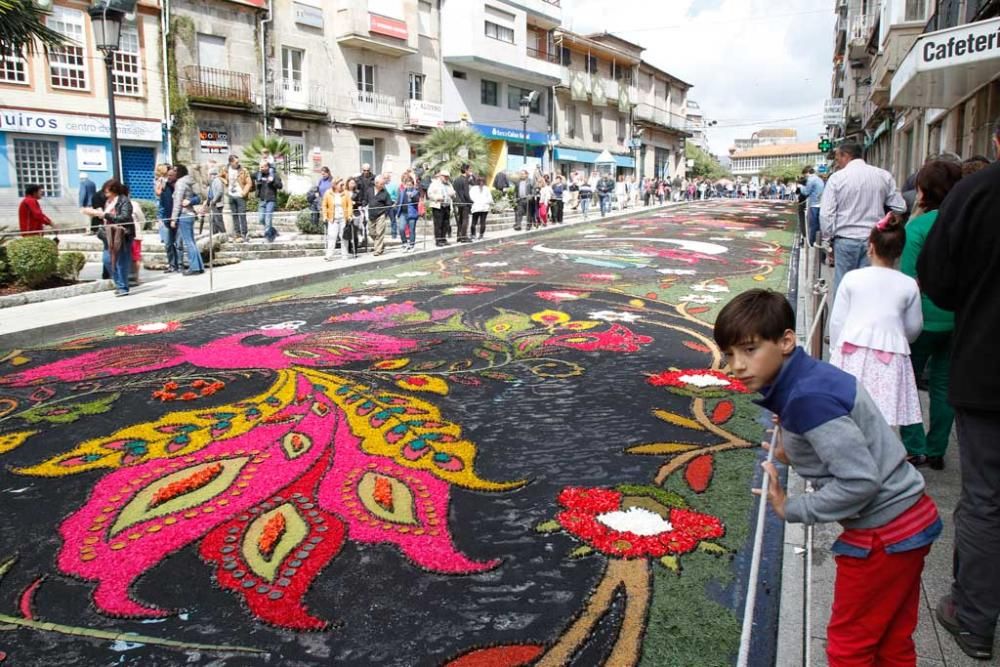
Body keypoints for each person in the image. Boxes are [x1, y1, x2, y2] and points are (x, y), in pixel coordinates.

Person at [715, 288, 941, 666]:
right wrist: (792, 442)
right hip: (911, 519)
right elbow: (839, 444)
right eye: (729, 354)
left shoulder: (805, 397)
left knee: (849, 646)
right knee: (891, 637)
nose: (736, 365)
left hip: (882, 536)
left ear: (786, 340)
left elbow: (860, 482)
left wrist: (791, 507)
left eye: (749, 349)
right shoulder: (808, 380)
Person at [917, 123, 1000, 661]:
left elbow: (939, 282)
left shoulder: (981, 191)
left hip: (991, 368)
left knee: (987, 501)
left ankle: (973, 619)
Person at [897, 160, 962, 470]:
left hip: (921, 319)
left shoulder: (918, 228)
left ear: (922, 192)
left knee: (908, 383)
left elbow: (908, 281)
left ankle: (915, 446)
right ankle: (937, 449)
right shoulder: (966, 222)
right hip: (958, 318)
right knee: (943, 385)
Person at [828, 216, 923, 428]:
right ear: (899, 252)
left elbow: (837, 321)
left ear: (870, 247)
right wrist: (897, 337)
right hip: (890, 356)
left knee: (847, 414)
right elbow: (914, 328)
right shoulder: (909, 285)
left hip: (851, 352)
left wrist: (836, 348)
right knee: (884, 419)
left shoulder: (852, 278)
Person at [820, 142, 907, 298]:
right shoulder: (883, 175)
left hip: (845, 240)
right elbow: (900, 207)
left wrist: (827, 240)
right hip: (874, 239)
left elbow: (826, 214)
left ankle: (843, 320)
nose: (837, 162)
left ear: (846, 156)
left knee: (843, 289)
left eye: (838, 157)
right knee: (870, 287)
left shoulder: (837, 178)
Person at [96, 179, 135, 296]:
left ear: (114, 191)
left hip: (123, 235)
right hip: (108, 234)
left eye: (107, 192)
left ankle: (123, 286)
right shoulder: (108, 202)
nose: (105, 194)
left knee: (121, 261)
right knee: (107, 260)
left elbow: (124, 217)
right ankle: (118, 283)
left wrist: (106, 215)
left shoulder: (124, 201)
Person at [171, 165, 204, 275]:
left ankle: (194, 267)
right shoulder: (190, 181)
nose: (173, 172)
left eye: (174, 170)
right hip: (190, 214)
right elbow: (199, 196)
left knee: (188, 242)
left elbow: (177, 202)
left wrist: (173, 219)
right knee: (192, 241)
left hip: (184, 214)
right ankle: (199, 266)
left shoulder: (180, 183)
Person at [220, 155, 252, 243]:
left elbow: (249, 183)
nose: (238, 163)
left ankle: (245, 234)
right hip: (231, 195)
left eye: (238, 162)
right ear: (231, 162)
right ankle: (237, 235)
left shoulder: (243, 170)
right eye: (236, 162)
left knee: (242, 215)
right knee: (234, 215)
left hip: (240, 195)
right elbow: (220, 176)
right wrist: (225, 182)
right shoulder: (225, 169)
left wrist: (244, 192)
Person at [321, 177, 351, 261]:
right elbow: (324, 205)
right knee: (331, 237)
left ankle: (344, 255)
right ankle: (329, 255)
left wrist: (349, 215)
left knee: (344, 237)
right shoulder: (328, 193)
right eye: (341, 184)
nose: (342, 186)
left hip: (343, 218)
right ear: (335, 185)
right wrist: (325, 216)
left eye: (343, 184)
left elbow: (349, 205)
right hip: (333, 218)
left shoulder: (346, 193)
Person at [801, 166, 825, 257]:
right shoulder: (819, 179)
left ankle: (811, 242)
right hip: (821, 204)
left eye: (805, 175)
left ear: (807, 173)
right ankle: (818, 241)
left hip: (814, 204)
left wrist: (801, 187)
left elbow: (806, 192)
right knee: (818, 225)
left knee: (813, 225)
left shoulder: (811, 180)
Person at [254, 160, 282, 242]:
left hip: (271, 200)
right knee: (261, 219)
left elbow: (280, 186)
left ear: (267, 167)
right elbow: (250, 176)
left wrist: (272, 181)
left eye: (262, 167)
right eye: (260, 167)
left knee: (268, 219)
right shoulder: (259, 175)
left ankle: (269, 237)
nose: (260, 168)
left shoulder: (274, 175)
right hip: (262, 200)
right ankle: (273, 230)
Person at [427, 169, 454, 247]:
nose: (446, 178)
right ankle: (438, 240)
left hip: (447, 205)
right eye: (445, 177)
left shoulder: (449, 184)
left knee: (446, 223)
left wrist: (452, 194)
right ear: (441, 176)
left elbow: (453, 193)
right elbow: (430, 194)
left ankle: (443, 238)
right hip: (438, 206)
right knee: (438, 223)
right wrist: (437, 198)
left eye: (447, 177)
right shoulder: (434, 184)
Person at [368, 175, 393, 256]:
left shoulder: (385, 193)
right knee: (371, 232)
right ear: (376, 183)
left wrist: (385, 213)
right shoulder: (370, 190)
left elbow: (389, 204)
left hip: (381, 215)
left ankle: (378, 250)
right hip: (371, 215)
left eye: (383, 184)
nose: (383, 186)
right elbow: (365, 200)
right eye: (381, 184)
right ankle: (380, 245)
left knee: (380, 233)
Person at [398, 175, 421, 251]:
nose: (409, 186)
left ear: (413, 185)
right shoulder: (402, 192)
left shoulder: (416, 192)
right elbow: (399, 201)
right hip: (403, 213)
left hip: (412, 213)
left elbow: (417, 200)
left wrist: (412, 196)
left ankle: (411, 245)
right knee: (401, 228)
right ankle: (404, 243)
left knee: (411, 230)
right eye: (407, 185)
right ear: (405, 185)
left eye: (410, 185)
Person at [205, 167, 226, 236]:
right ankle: (215, 235)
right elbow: (210, 193)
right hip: (213, 203)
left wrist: (213, 201)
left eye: (208, 174)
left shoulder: (217, 180)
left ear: (212, 174)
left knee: (218, 220)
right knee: (214, 220)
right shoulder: (212, 182)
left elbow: (219, 192)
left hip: (217, 203)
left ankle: (223, 234)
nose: (208, 176)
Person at [469, 174, 491, 241]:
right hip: (482, 207)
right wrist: (486, 202)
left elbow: (471, 197)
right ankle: (480, 235)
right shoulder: (486, 188)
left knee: (474, 222)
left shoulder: (473, 188)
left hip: (477, 207)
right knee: (482, 222)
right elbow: (490, 198)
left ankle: (474, 235)